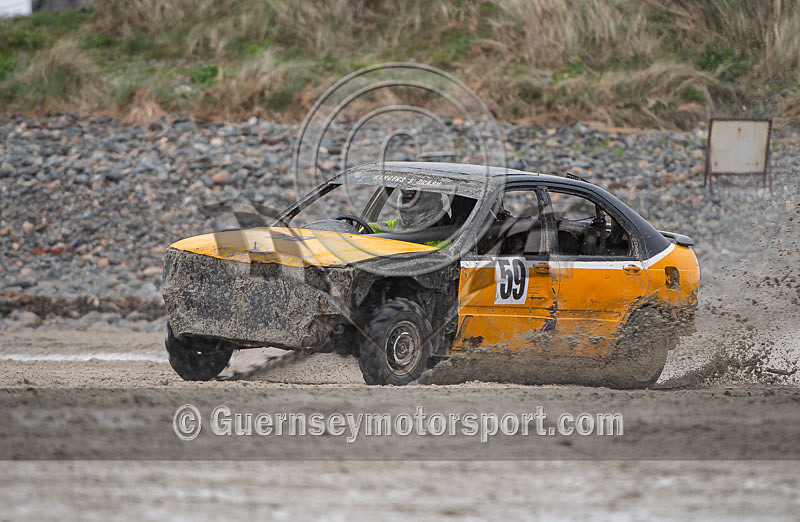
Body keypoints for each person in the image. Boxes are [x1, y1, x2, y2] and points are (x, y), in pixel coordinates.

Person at [368, 189, 451, 249]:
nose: (407, 205)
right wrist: (360, 231)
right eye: (405, 200)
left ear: (429, 203)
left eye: (414, 201)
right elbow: (374, 227)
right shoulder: (398, 225)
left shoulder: (445, 234)